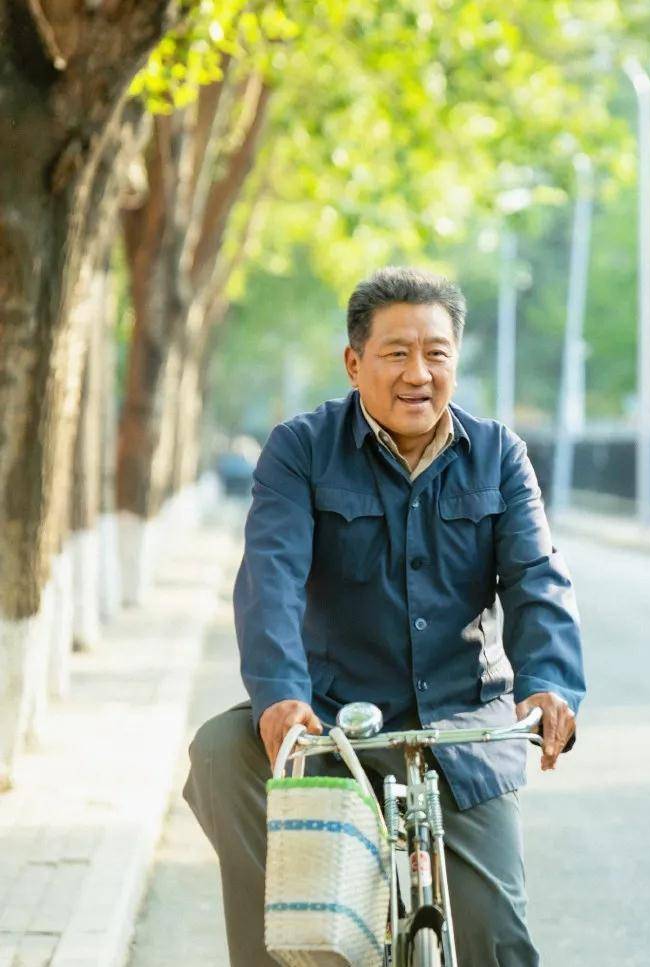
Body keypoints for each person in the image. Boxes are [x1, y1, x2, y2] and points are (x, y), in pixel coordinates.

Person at [184, 267, 586, 966]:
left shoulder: (498, 455)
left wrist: (549, 682)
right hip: (336, 726)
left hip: (461, 729)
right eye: (397, 352)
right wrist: (281, 697)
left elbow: (534, 578)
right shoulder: (301, 449)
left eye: (437, 353)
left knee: (497, 937)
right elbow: (270, 578)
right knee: (221, 752)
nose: (418, 373)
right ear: (354, 361)